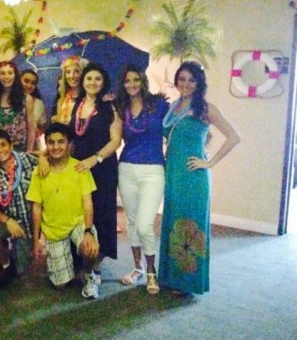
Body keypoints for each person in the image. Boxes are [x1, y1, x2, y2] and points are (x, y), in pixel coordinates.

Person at [158, 61, 240, 295]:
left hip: (193, 176)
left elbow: (234, 137)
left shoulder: (204, 108)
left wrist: (209, 162)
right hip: (173, 173)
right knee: (173, 221)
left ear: (199, 83)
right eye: (182, 79)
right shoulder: (174, 105)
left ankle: (186, 283)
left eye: (191, 80)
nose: (185, 84)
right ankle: (170, 277)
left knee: (189, 225)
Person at [27, 123, 100, 299]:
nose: (56, 147)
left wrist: (88, 232)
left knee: (89, 249)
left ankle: (89, 273)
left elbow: (88, 204)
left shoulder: (79, 168)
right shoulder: (39, 172)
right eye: (51, 142)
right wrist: (36, 240)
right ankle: (69, 265)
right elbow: (36, 209)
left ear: (69, 144)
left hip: (78, 223)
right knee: (60, 285)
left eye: (61, 142)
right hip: (54, 230)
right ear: (46, 145)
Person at [114, 66, 168, 294]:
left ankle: (151, 271)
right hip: (126, 168)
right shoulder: (121, 107)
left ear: (143, 81)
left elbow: (174, 128)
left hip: (153, 170)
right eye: (127, 81)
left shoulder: (159, 104)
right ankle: (137, 268)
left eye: (136, 80)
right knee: (132, 222)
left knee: (145, 224)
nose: (132, 84)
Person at [69, 62, 122, 278]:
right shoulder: (77, 104)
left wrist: (95, 158)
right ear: (83, 81)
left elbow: (116, 141)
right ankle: (80, 255)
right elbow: (72, 137)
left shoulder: (111, 107)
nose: (93, 82)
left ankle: (96, 263)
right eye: (89, 78)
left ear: (104, 82)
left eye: (98, 79)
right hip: (79, 166)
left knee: (101, 212)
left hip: (102, 166)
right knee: (79, 211)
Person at [0, 128, 37, 290]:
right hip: (7, 220)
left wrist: (43, 160)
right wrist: (8, 221)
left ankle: (14, 249)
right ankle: (3, 262)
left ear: (11, 145)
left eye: (3, 145)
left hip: (29, 222)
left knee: (20, 270)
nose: (0, 150)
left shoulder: (25, 160)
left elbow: (45, 154)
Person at [0, 61, 35, 152]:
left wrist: (29, 152)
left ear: (15, 75)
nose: (6, 77)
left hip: (19, 149)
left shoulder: (26, 99)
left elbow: (31, 128)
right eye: (2, 73)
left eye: (10, 73)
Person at [21, 69, 48, 150]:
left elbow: (42, 125)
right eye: (26, 81)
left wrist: (36, 131)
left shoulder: (39, 103)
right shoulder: (9, 101)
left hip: (32, 147)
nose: (29, 85)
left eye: (33, 83)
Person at [52, 56, 84, 124]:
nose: (72, 76)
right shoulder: (61, 97)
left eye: (76, 71)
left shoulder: (88, 97)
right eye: (68, 72)